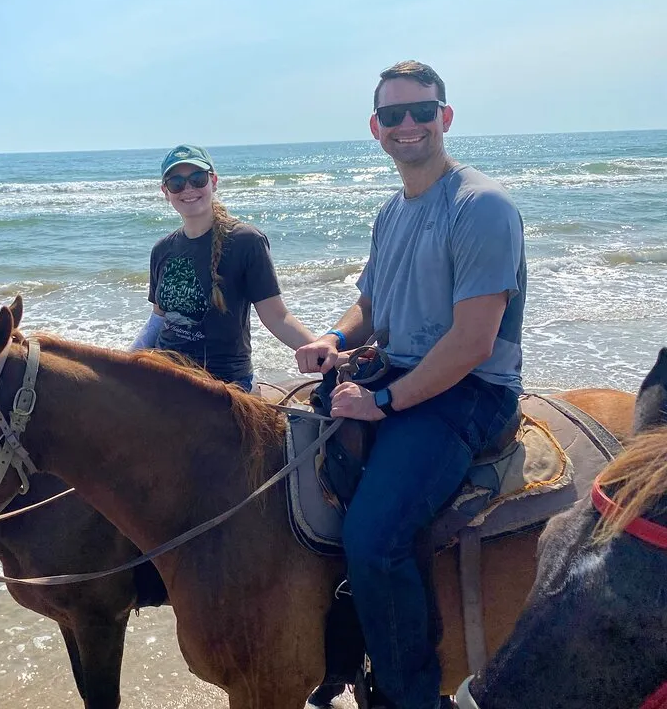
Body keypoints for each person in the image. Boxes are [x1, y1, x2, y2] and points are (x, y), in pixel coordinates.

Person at [295, 61, 526, 709]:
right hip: (396, 370)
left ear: (444, 117)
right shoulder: (392, 211)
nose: (408, 125)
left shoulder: (481, 206)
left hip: (470, 390)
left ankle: (412, 695)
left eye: (421, 111)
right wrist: (333, 339)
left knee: (374, 537)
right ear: (376, 128)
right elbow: (370, 303)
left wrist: (383, 402)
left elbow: (472, 343)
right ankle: (338, 651)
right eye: (393, 115)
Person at [131, 144, 315, 392]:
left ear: (213, 182)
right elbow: (159, 318)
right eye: (176, 183)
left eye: (197, 179)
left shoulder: (246, 241)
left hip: (224, 384)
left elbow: (277, 317)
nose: (188, 189)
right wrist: (126, 361)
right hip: (166, 376)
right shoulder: (162, 249)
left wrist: (322, 350)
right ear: (166, 191)